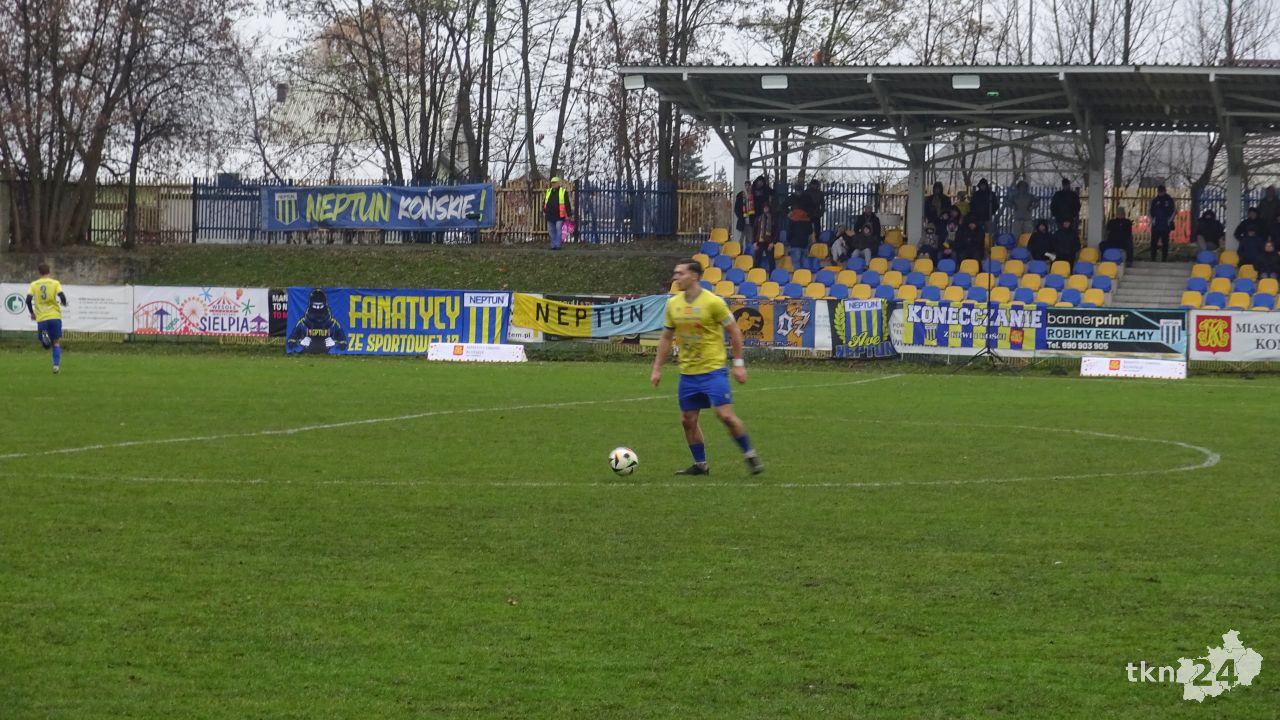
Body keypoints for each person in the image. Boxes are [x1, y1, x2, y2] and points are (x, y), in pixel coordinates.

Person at [651, 260, 762, 476]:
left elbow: (734, 331)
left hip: (713, 371)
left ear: (694, 276)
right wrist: (657, 368)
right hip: (688, 373)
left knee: (725, 416)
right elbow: (666, 337)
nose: (675, 277)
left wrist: (738, 364)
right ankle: (700, 465)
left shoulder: (713, 302)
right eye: (675, 273)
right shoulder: (672, 304)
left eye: (680, 273)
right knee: (687, 420)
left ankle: (750, 455)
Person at [26, 263, 69, 374]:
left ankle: (46, 340)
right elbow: (62, 296)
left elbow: (28, 300)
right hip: (55, 317)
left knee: (45, 342)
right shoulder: (55, 283)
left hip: (42, 318)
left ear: (39, 272)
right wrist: (64, 303)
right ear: (49, 272)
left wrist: (32, 313)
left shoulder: (34, 284)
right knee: (56, 342)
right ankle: (56, 366)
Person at [784, 183, 816, 270]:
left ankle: (798, 277)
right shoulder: (806, 219)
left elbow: (789, 232)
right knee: (803, 265)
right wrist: (809, 215)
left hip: (795, 244)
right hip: (804, 243)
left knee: (796, 265)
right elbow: (810, 231)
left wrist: (788, 213)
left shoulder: (792, 219)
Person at [543, 176, 574, 250]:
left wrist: (569, 214)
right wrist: (544, 211)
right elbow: (545, 202)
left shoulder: (563, 192)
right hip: (550, 215)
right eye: (552, 183)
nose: (553, 184)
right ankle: (553, 245)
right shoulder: (548, 191)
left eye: (555, 183)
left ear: (558, 183)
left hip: (559, 215)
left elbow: (567, 203)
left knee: (558, 230)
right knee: (551, 231)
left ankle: (558, 245)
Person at [1147, 185, 1176, 261]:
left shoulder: (1169, 200)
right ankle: (1153, 257)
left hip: (1165, 224)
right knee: (1154, 241)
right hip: (1156, 224)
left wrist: (1169, 220)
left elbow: (1173, 211)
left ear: (1164, 191)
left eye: (1162, 191)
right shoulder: (1155, 200)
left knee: (1165, 241)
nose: (1160, 193)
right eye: (1159, 192)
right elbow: (1149, 211)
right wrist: (1152, 220)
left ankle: (1164, 258)